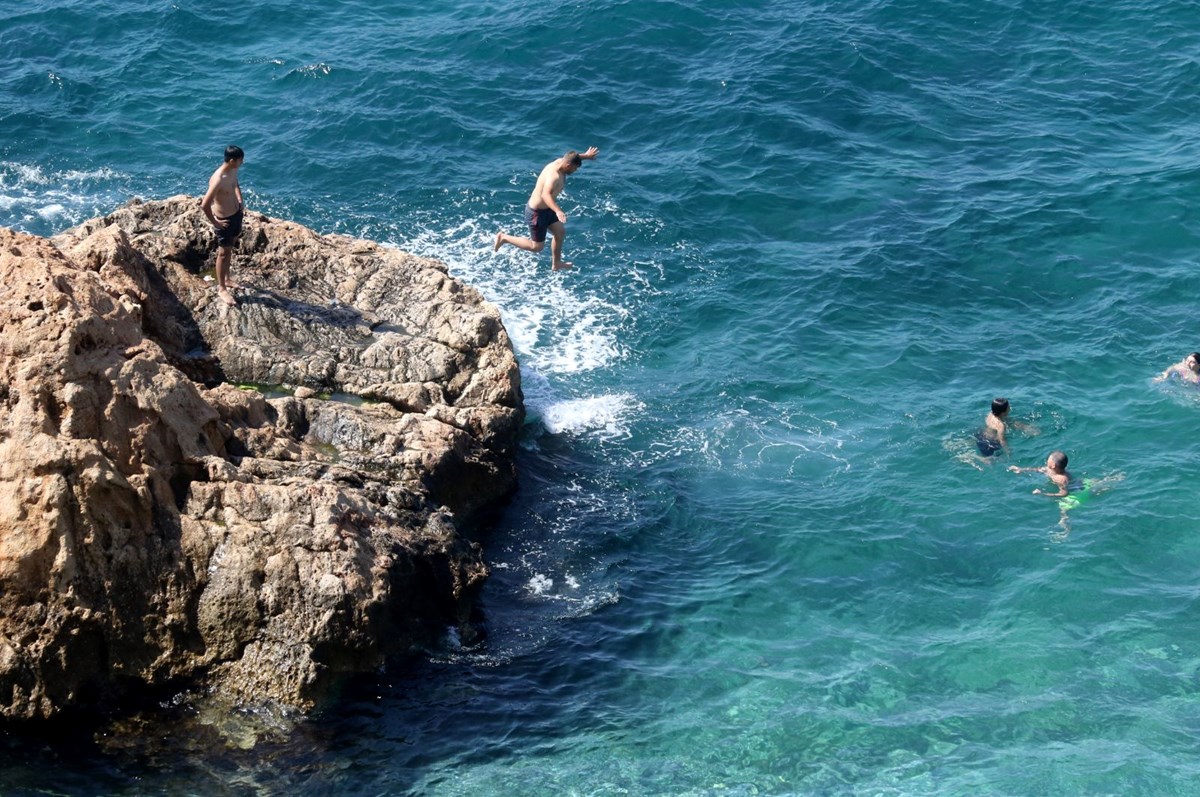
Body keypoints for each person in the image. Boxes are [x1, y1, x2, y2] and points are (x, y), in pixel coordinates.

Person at [493, 146, 599, 271]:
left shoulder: (561, 161)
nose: (575, 171)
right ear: (568, 165)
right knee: (536, 247)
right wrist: (558, 211)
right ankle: (504, 238)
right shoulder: (553, 176)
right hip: (536, 212)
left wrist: (586, 156)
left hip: (547, 208)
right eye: (575, 168)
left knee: (560, 233)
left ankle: (556, 263)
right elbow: (545, 194)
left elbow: (572, 157)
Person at [200, 145, 245, 306]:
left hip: (236, 214)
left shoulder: (232, 170)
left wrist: (240, 200)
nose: (242, 162)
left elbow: (236, 184)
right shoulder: (218, 179)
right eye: (240, 160)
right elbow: (205, 205)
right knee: (223, 254)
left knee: (230, 247)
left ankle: (227, 278)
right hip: (224, 220)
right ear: (232, 161)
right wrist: (216, 223)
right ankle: (222, 288)